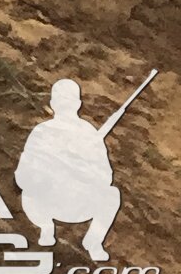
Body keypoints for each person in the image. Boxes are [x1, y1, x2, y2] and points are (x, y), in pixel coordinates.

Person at [16, 78, 124, 261]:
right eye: (62, 100)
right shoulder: (42, 131)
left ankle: (93, 241)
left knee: (111, 194)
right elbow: (22, 175)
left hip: (78, 202)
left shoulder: (89, 134)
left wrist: (83, 173)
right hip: (48, 201)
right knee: (28, 193)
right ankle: (46, 228)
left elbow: (105, 176)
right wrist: (44, 176)